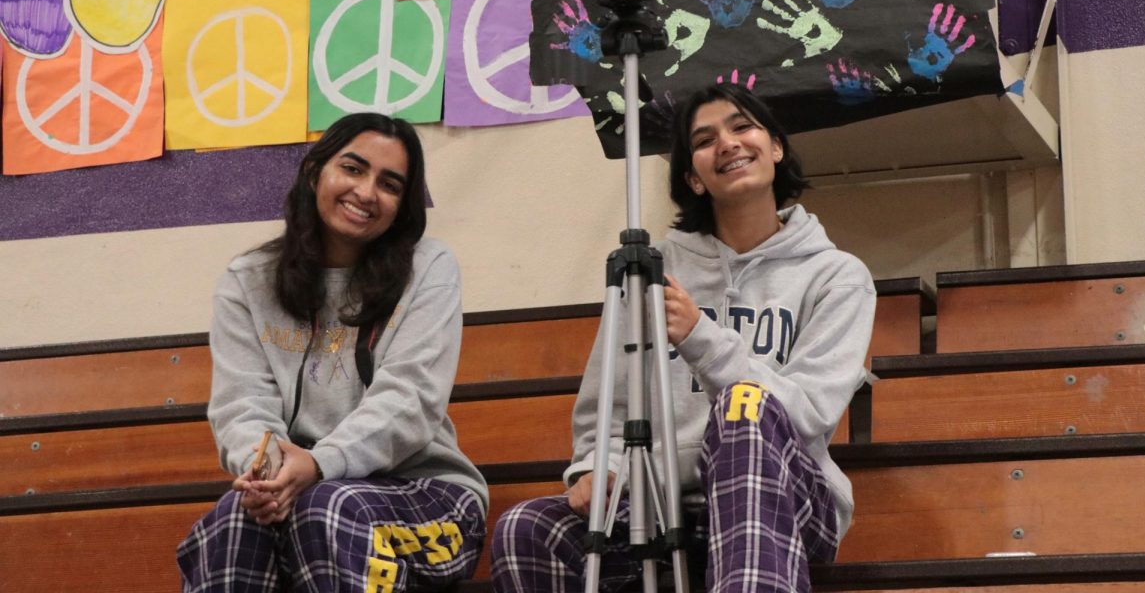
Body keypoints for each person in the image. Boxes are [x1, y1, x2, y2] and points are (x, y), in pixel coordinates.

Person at [490, 84, 875, 592]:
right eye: (706, 138)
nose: (729, 143)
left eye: (742, 127)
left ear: (775, 147)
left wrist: (701, 338)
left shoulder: (837, 276)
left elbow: (807, 417)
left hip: (788, 501)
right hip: (660, 502)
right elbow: (605, 409)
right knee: (527, 529)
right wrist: (596, 468)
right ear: (694, 178)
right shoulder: (649, 274)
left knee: (746, 408)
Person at [177, 113, 487, 593]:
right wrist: (268, 478)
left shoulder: (429, 268)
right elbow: (242, 405)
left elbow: (411, 400)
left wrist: (321, 464)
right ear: (314, 171)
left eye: (390, 184)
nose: (366, 193)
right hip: (305, 496)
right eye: (353, 168)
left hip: (432, 501)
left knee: (329, 508)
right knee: (234, 523)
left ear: (402, 205)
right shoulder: (248, 280)